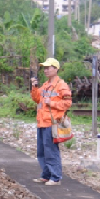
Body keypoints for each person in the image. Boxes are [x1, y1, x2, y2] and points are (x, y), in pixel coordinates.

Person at [30, 57, 72, 186]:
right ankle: (46, 175)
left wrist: (52, 103)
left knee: (51, 151)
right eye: (45, 68)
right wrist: (34, 87)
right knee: (42, 151)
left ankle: (55, 177)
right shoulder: (46, 85)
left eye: (48, 68)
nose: (46, 70)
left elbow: (68, 102)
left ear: (56, 69)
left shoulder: (61, 85)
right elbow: (37, 99)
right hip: (42, 122)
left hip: (52, 123)